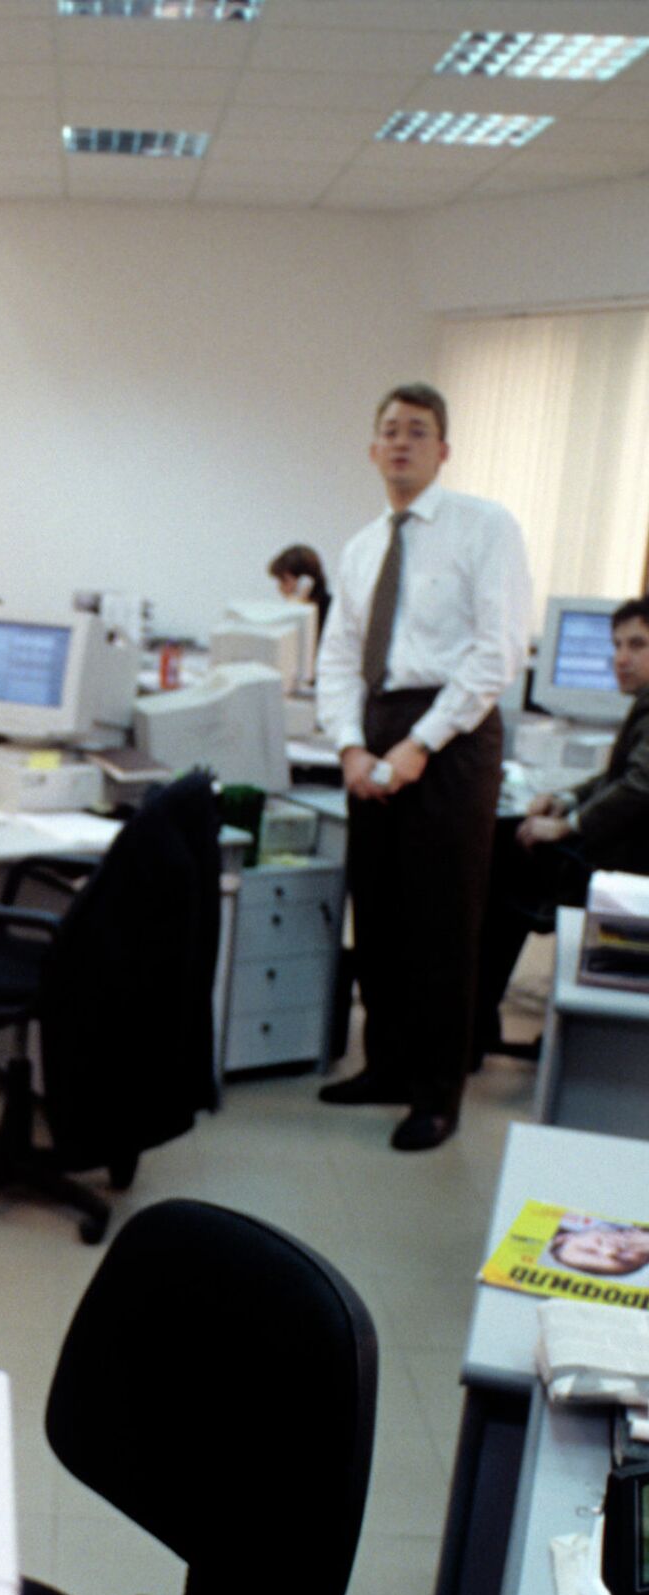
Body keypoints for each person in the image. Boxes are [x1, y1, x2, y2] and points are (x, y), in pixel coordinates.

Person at [314, 383, 532, 1152]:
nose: (402, 442)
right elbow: (339, 657)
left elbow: (498, 650)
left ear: (443, 450)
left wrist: (420, 744)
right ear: (372, 449)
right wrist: (349, 743)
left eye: (418, 430)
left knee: (442, 921)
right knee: (377, 913)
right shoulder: (361, 547)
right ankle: (387, 1066)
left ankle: (437, 1094)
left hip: (453, 735)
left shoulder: (485, 527)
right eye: (391, 430)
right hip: (376, 723)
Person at [476, 597, 649, 1060]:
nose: (622, 658)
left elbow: (639, 787)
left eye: (637, 645)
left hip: (626, 868)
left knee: (504, 855)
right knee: (512, 845)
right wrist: (567, 799)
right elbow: (617, 778)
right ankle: (478, 1025)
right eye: (617, 645)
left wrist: (568, 826)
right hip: (623, 853)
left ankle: (473, 1028)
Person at [268, 543, 331, 639]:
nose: (280, 588)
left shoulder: (331, 612)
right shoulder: (296, 610)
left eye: (284, 580)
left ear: (305, 581)